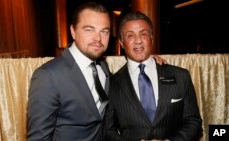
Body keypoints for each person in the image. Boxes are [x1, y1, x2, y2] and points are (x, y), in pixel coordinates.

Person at [27, 2, 165, 141]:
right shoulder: (48, 76)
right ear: (73, 31)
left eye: (104, 31)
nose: (98, 38)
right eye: (89, 29)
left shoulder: (103, 67)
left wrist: (147, 61)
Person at [104, 11, 202, 141]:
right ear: (122, 43)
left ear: (151, 38)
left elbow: (193, 121)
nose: (138, 40)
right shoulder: (112, 83)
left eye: (143, 34)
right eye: (130, 36)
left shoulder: (180, 76)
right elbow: (107, 131)